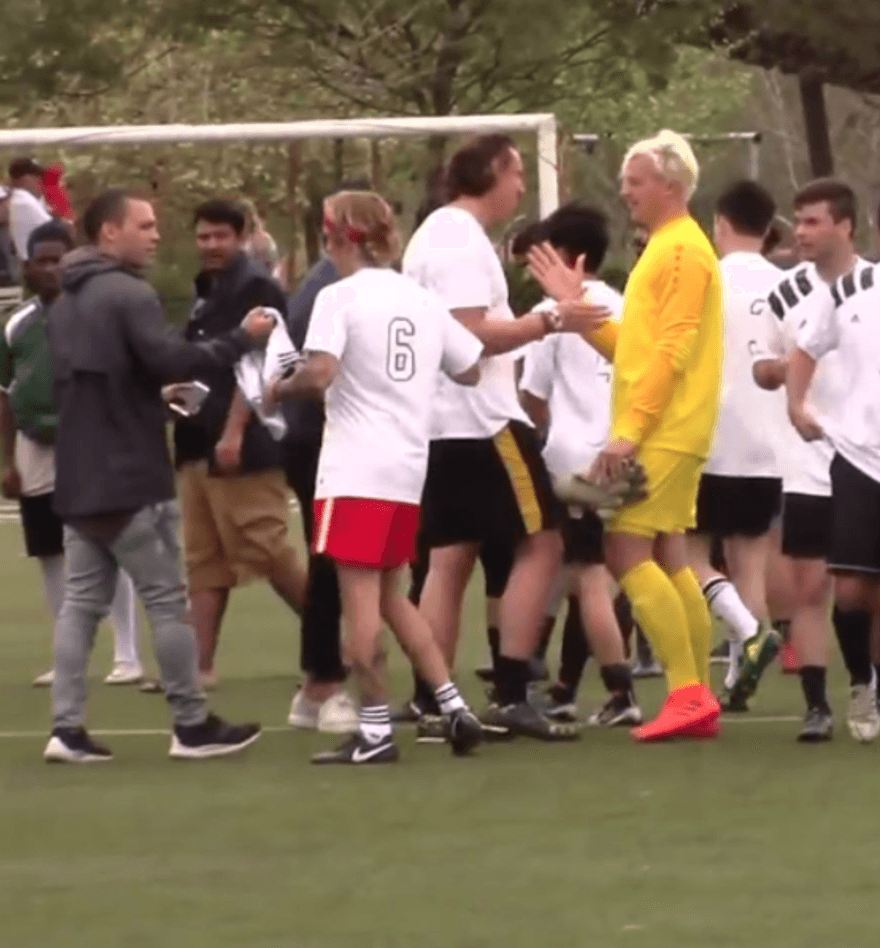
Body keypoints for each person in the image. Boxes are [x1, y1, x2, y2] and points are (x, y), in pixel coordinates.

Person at [44, 188, 271, 763]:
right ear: (108, 232)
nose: (155, 234)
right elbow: (172, 360)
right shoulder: (129, 293)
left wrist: (150, 393)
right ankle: (191, 726)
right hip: (129, 474)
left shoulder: (63, 300)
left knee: (80, 604)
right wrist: (241, 339)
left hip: (78, 473)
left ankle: (65, 729)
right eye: (143, 225)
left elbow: (103, 379)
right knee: (167, 601)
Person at [266, 190, 485, 764]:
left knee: (359, 602)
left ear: (335, 234)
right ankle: (455, 705)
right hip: (407, 466)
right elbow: (470, 367)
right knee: (391, 596)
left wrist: (279, 386)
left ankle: (375, 729)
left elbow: (319, 374)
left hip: (356, 468)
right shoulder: (422, 299)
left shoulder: (339, 297)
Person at [529, 129, 723, 742]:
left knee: (625, 554)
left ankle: (688, 692)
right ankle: (697, 694)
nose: (624, 191)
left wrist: (631, 433)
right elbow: (636, 351)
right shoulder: (668, 248)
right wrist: (578, 312)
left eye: (635, 181)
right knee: (671, 554)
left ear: (670, 185)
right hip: (671, 425)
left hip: (666, 427)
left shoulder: (681, 253)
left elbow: (671, 350)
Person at [403, 134, 592, 741]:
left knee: (451, 556)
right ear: (489, 174)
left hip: (440, 423)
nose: (520, 186)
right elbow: (470, 334)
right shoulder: (458, 238)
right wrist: (551, 319)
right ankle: (512, 690)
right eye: (515, 174)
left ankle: (436, 700)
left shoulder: (436, 233)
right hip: (481, 420)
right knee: (544, 541)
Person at [750, 179, 874, 742]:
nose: (799, 233)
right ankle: (819, 703)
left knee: (861, 588)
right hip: (811, 459)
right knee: (811, 588)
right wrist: (786, 385)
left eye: (812, 222)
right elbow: (765, 362)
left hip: (861, 455)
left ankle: (865, 681)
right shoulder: (787, 292)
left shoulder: (869, 283)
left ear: (845, 226)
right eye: (796, 222)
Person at [0, 221, 143, 688]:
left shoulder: (99, 312)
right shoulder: (16, 324)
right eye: (41, 260)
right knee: (49, 550)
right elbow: (4, 393)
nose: (50, 269)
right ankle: (70, 656)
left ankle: (127, 654)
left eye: (58, 259)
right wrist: (7, 461)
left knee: (110, 543)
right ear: (28, 268)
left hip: (92, 443)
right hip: (35, 446)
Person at [172, 199, 307, 689]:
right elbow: (201, 365)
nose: (210, 245)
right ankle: (198, 667)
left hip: (242, 447)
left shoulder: (258, 288)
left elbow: (259, 364)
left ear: (242, 235)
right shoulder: (206, 290)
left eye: (220, 236)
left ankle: (331, 641)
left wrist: (233, 432)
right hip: (195, 442)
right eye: (203, 236)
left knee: (267, 549)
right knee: (204, 560)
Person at [518, 202, 641, 727]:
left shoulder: (559, 312)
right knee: (601, 574)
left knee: (587, 576)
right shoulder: (622, 303)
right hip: (622, 454)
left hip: (573, 460)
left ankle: (620, 690)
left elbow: (532, 397)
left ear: (569, 256)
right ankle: (566, 686)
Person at [784, 188, 880, 744]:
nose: (801, 231)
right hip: (857, 457)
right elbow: (804, 350)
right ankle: (860, 682)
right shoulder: (847, 292)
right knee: (849, 590)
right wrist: (797, 405)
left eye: (811, 221)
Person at [688, 181, 785, 709]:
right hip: (768, 441)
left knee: (686, 554)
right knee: (750, 560)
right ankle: (737, 679)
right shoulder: (789, 283)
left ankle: (748, 636)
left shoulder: (706, 279)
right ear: (769, 230)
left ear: (720, 225)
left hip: (710, 436)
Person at [282, 222, 358, 735]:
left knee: (333, 560)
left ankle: (319, 685)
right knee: (337, 561)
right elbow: (317, 372)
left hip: (326, 440)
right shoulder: (331, 289)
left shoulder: (332, 283)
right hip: (326, 442)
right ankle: (324, 684)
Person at [7, 157, 53, 263]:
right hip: (31, 264)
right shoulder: (23, 200)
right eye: (37, 176)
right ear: (25, 179)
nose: (40, 181)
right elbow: (56, 230)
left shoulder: (24, 197)